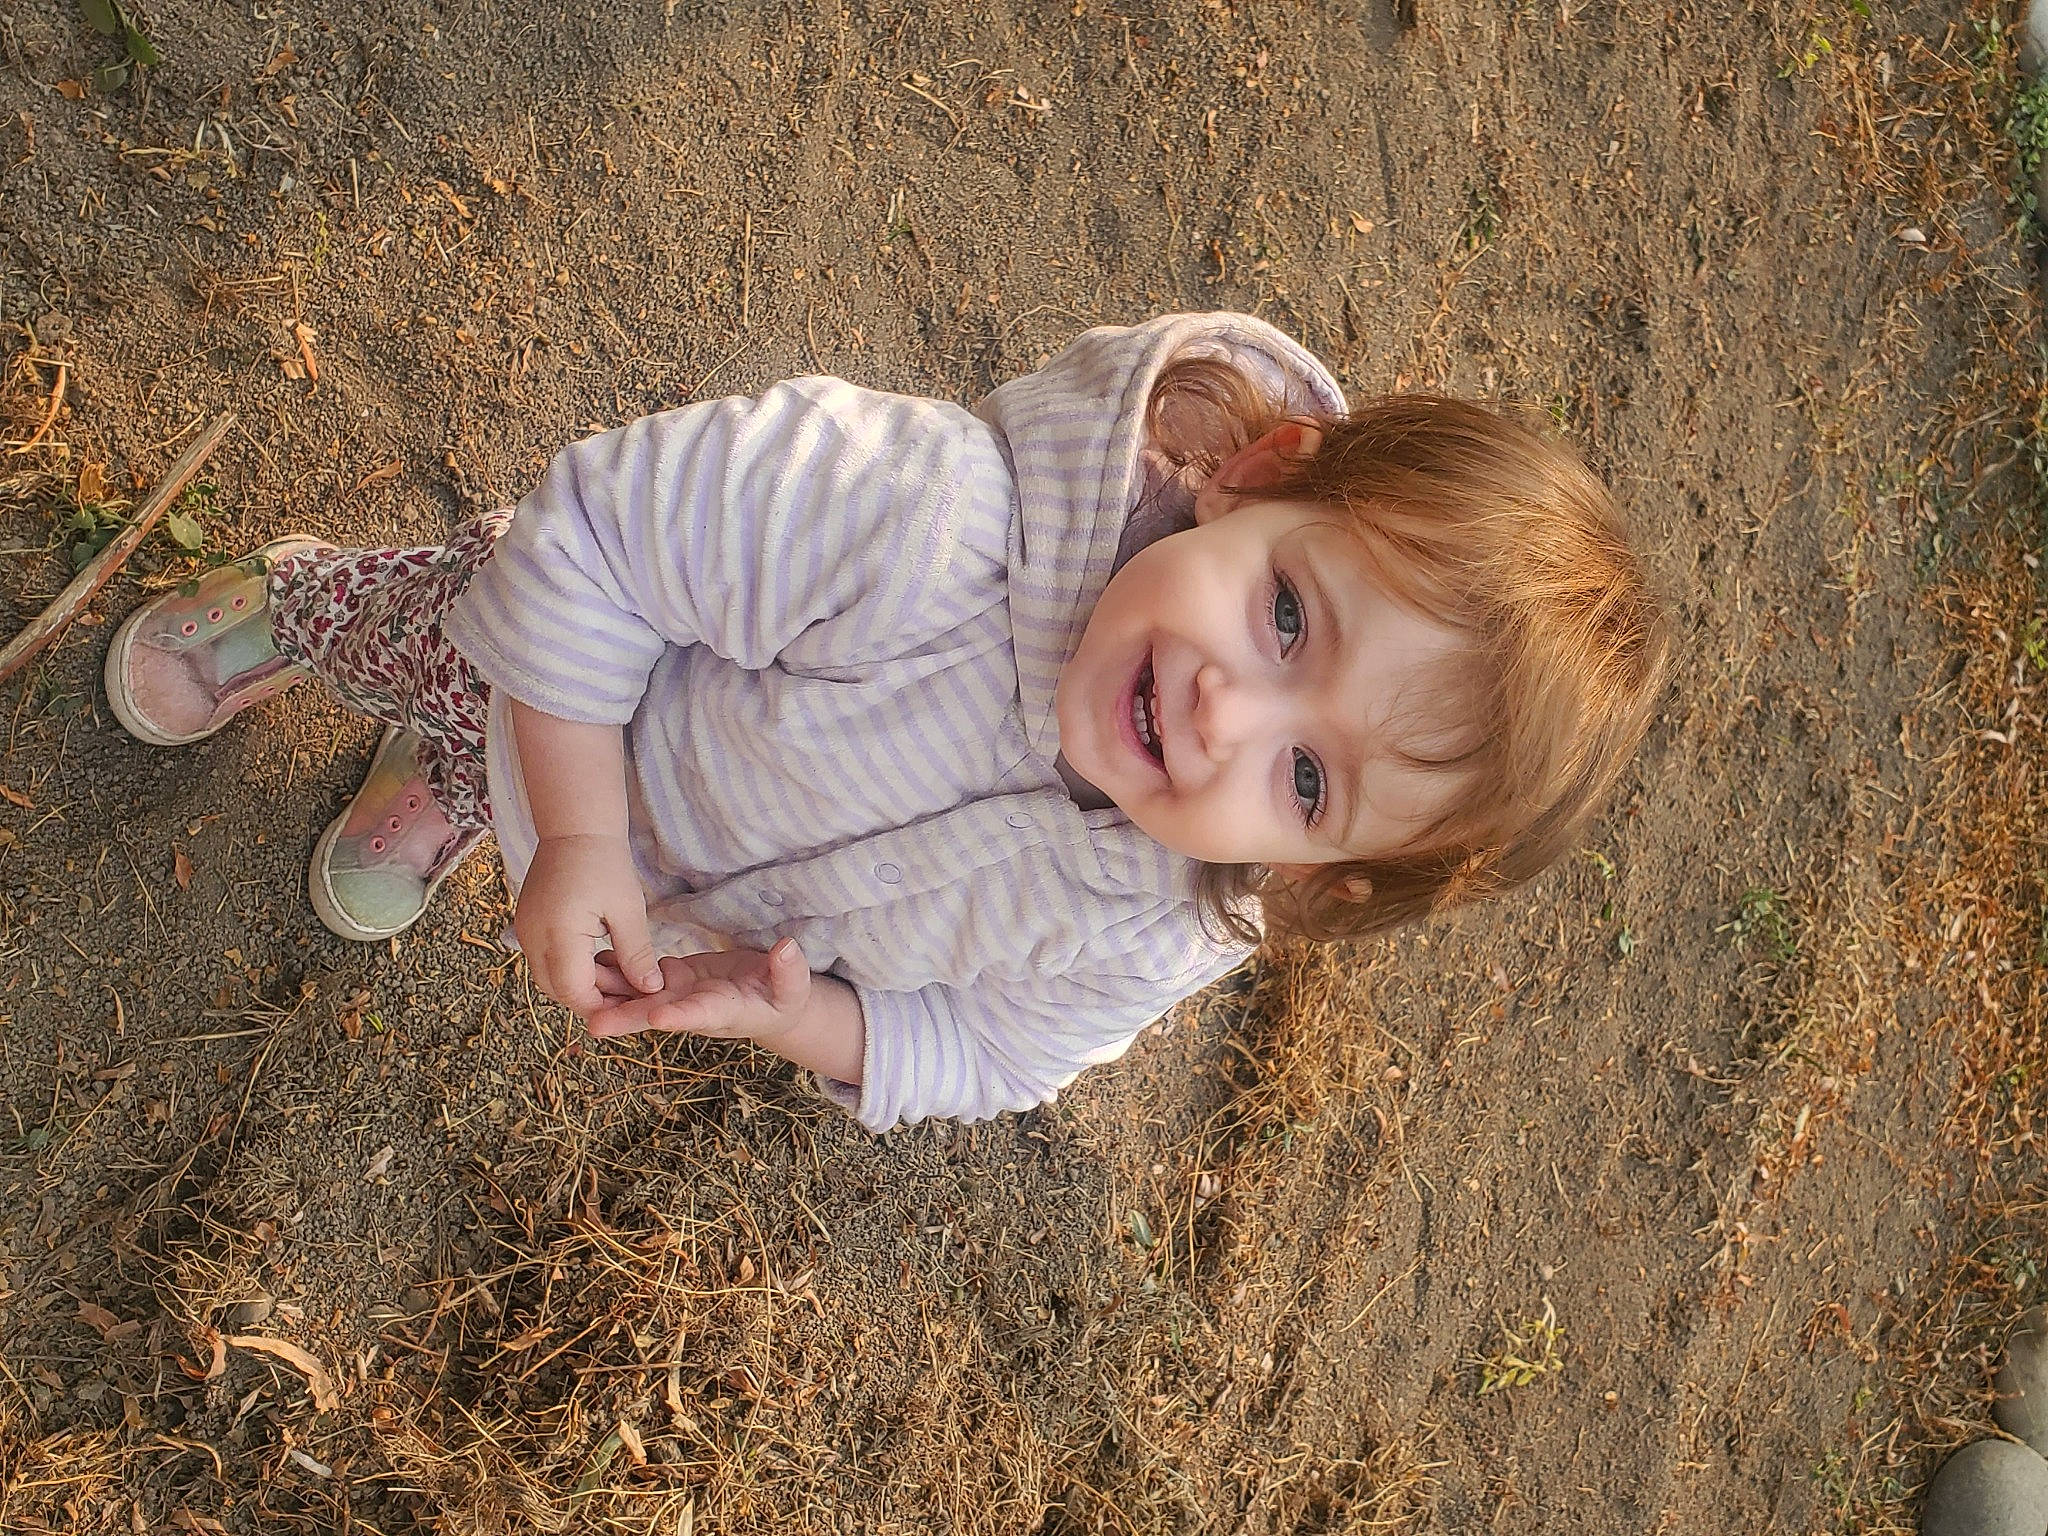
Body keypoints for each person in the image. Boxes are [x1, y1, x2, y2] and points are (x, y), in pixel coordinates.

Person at [102, 313, 1667, 1132]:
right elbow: (596, 538)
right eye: (1285, 619)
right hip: (564, 671)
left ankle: (466, 805)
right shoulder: (928, 519)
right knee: (444, 646)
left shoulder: (1165, 921)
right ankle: (296, 606)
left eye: (1308, 777)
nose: (1222, 716)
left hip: (653, 867)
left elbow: (991, 1050)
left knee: (505, 812)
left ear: (1325, 872)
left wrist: (801, 1021)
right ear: (1260, 479)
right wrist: (576, 826)